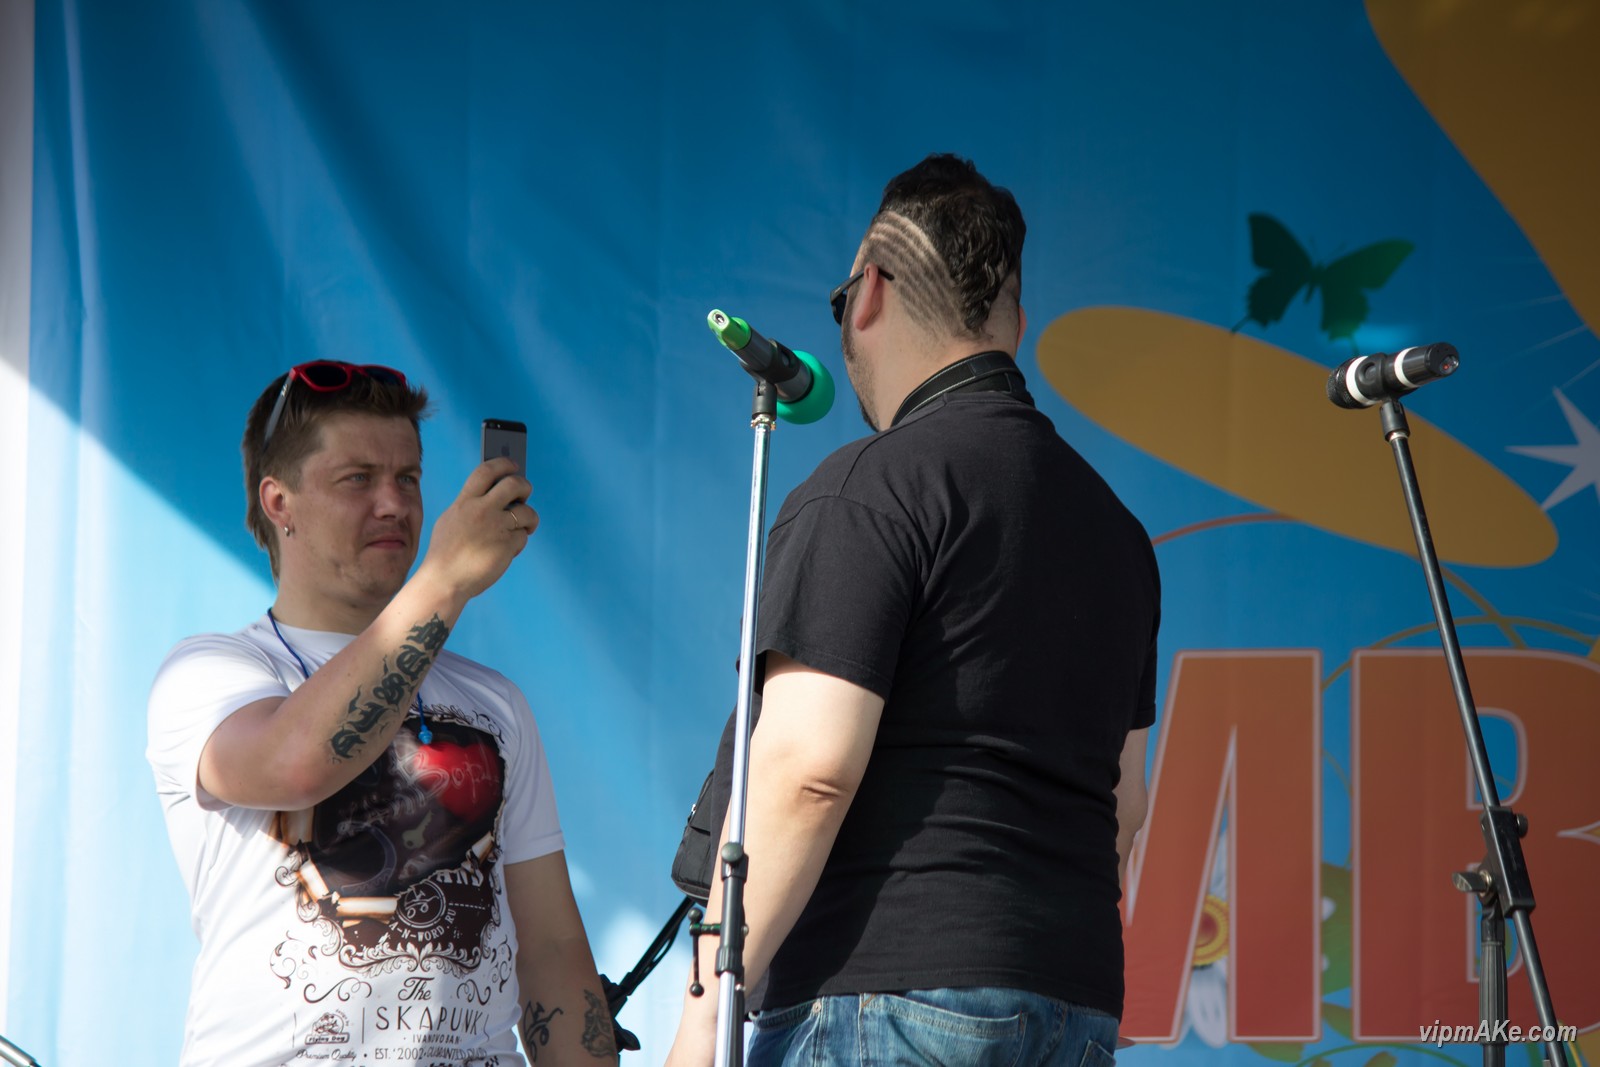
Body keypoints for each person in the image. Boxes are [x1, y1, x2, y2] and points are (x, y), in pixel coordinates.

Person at [665, 155, 1159, 1067]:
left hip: (885, 1000)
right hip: (1075, 1006)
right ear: (1015, 323)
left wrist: (705, 1017)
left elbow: (808, 770)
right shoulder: (1118, 531)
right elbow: (1125, 809)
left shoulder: (868, 488)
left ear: (870, 293)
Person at [147, 362, 619, 1067]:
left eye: (409, 477)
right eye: (358, 478)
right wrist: (447, 578)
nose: (394, 503)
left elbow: (551, 947)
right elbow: (294, 764)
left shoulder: (497, 701)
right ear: (279, 501)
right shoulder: (210, 670)